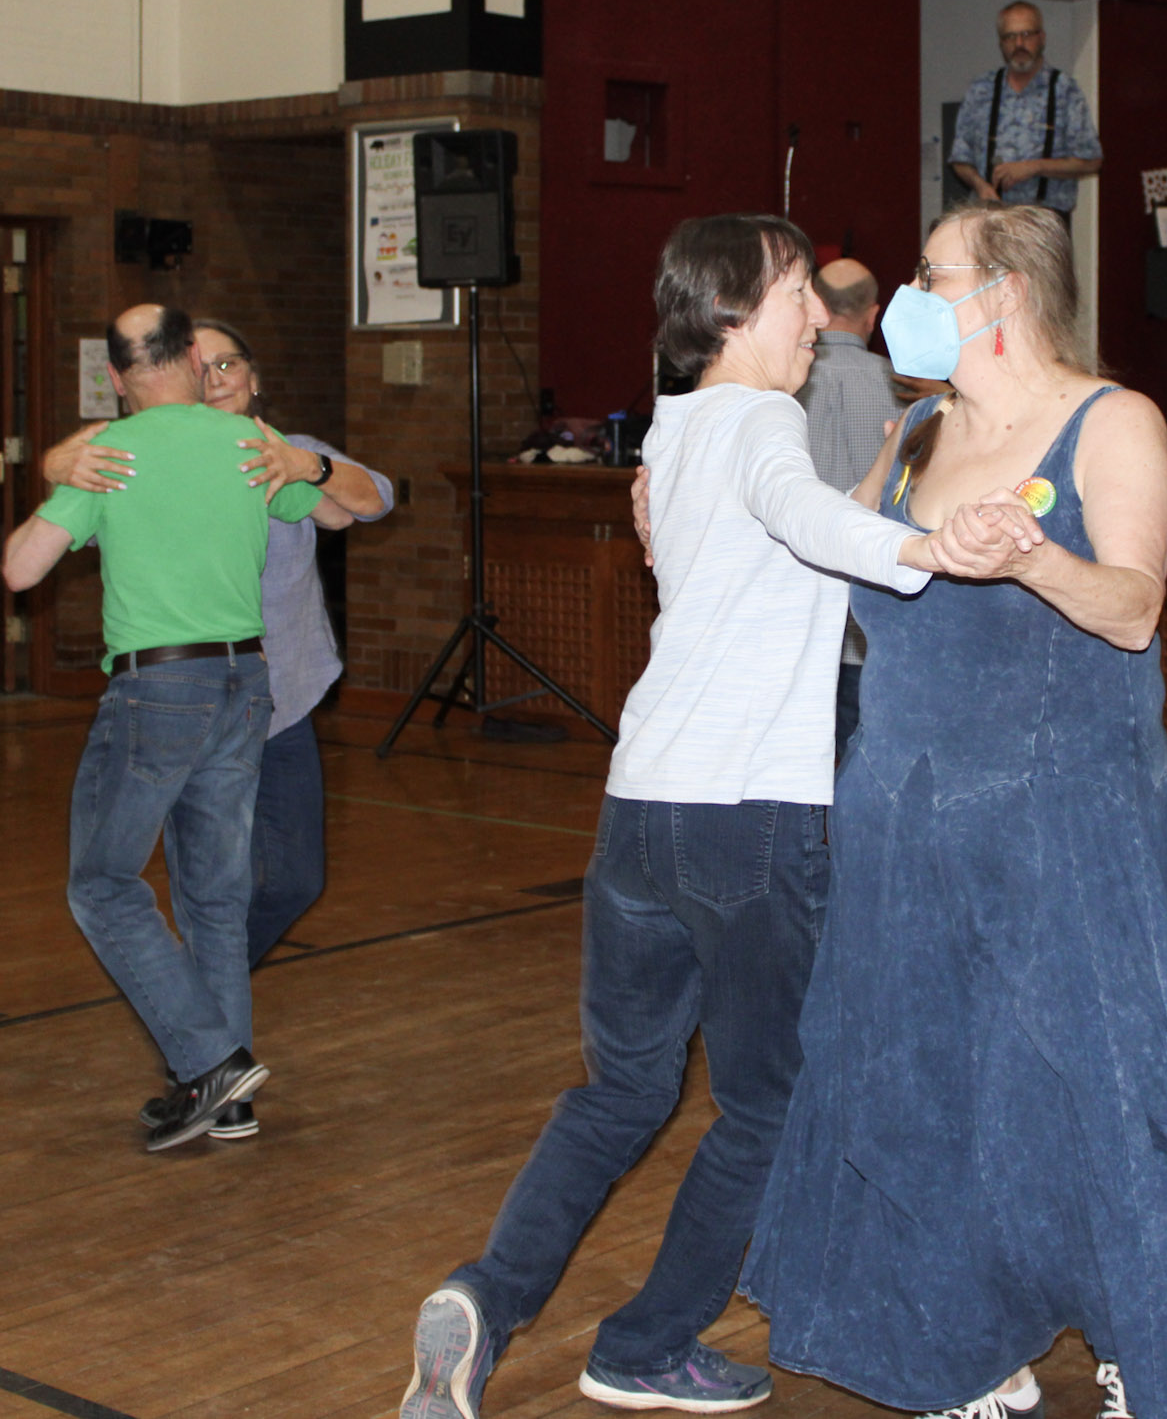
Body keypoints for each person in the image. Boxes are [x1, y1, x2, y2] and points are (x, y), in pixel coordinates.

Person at [397, 216, 1014, 1419]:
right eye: (796, 292)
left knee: (619, 1094)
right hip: (747, 819)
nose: (818, 315)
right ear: (732, 311)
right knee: (768, 1104)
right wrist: (934, 546)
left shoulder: (675, 428)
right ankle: (645, 1342)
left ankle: (484, 1291)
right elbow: (805, 515)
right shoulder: (759, 420)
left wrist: (892, 475)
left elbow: (783, 532)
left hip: (639, 813)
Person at [742, 204, 1167, 1419]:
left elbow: (1131, 605)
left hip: (1068, 822)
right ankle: (963, 1342)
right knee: (927, 1088)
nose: (909, 293)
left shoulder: (1108, 420)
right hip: (905, 815)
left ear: (1003, 290)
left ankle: (1149, 1339)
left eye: (930, 271)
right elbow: (831, 557)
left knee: (1102, 1087)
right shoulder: (914, 429)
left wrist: (1030, 556)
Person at [43, 319, 395, 1140]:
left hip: (282, 702)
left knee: (290, 880)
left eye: (229, 361)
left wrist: (306, 466)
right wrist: (57, 461)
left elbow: (370, 500)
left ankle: (198, 1031)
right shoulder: (163, 450)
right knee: (206, 888)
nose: (217, 377)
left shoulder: (282, 452)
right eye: (200, 366)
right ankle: (211, 1059)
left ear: (254, 374)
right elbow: (79, 468)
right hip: (195, 701)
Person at [795, 257, 906, 756]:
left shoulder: (781, 387)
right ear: (873, 315)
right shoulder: (909, 392)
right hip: (874, 622)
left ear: (815, 306)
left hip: (796, 623)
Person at [947, 0, 1102, 219]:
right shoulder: (981, 89)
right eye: (1010, 36)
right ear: (1001, 43)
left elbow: (1092, 161)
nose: (1019, 43)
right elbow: (959, 158)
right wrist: (980, 186)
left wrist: (1034, 167)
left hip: (1046, 221)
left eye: (1027, 34)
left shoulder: (1064, 90)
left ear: (1042, 38)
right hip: (991, 218)